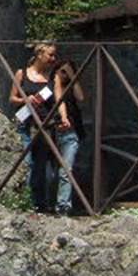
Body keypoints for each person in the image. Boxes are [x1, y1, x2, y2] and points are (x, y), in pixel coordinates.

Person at [9, 43, 58, 213]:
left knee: (41, 166)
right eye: (50, 55)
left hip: (44, 126)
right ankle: (25, 202)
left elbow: (59, 101)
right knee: (27, 163)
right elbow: (12, 98)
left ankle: (40, 204)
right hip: (24, 121)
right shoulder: (22, 73)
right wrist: (26, 100)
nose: (53, 59)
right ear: (39, 54)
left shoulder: (53, 77)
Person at [52, 58, 86, 215]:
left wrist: (73, 76)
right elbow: (57, 100)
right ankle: (45, 203)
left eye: (67, 72)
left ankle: (63, 206)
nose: (64, 75)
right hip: (51, 131)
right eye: (62, 71)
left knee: (66, 169)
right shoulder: (49, 86)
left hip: (70, 132)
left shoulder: (72, 87)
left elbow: (80, 97)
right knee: (50, 171)